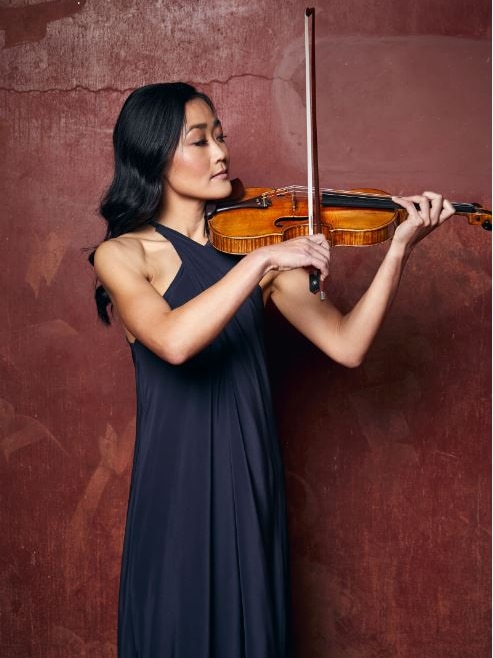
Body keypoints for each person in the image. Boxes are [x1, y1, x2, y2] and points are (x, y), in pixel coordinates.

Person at [91, 82, 455, 658]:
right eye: (199, 140)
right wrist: (262, 259)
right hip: (176, 484)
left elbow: (347, 345)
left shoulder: (258, 241)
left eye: (222, 135)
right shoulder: (124, 254)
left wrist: (399, 251)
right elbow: (173, 341)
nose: (221, 153)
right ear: (154, 153)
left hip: (247, 470)